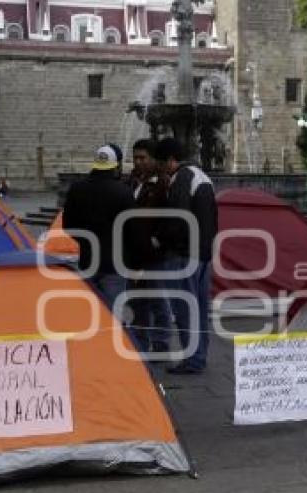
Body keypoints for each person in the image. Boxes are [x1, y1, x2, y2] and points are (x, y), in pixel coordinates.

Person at [154, 138, 218, 374]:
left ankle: (192, 359)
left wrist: (160, 239)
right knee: (200, 309)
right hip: (202, 255)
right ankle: (199, 356)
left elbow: (177, 219)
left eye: (162, 163)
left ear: (171, 160)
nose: (161, 169)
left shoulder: (182, 179)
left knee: (184, 310)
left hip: (183, 255)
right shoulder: (202, 177)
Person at [63, 145, 136, 310]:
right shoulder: (123, 192)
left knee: (89, 311)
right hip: (115, 263)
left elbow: (68, 226)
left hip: (88, 260)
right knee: (112, 314)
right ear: (116, 166)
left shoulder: (77, 188)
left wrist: (85, 242)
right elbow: (132, 230)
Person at [126, 138, 173, 354]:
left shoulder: (163, 184)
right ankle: (141, 341)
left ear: (154, 159)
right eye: (135, 158)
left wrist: (157, 239)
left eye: (142, 158)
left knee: (157, 299)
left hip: (154, 254)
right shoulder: (133, 181)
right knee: (137, 301)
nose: (138, 162)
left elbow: (169, 218)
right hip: (133, 252)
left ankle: (161, 342)